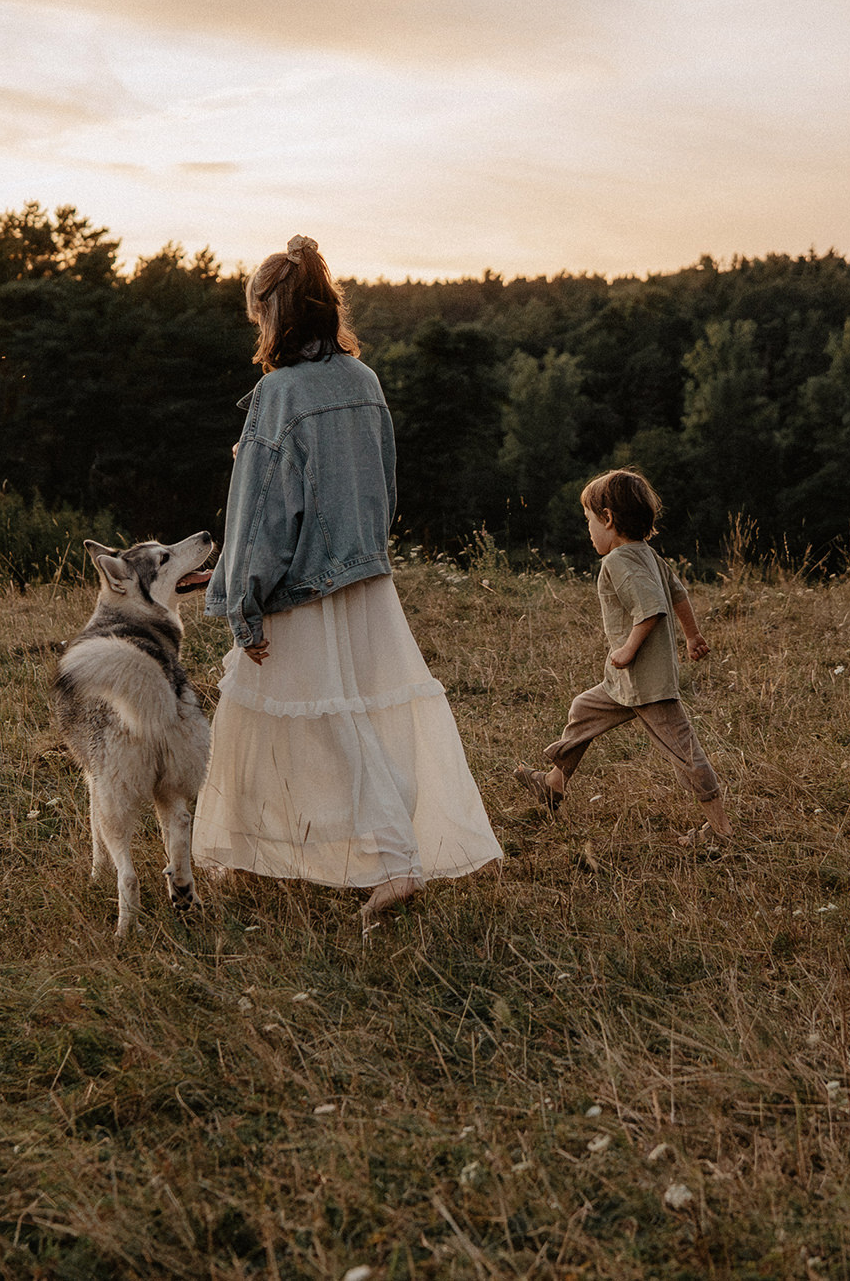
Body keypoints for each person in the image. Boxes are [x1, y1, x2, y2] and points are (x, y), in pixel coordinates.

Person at [196, 236, 503, 927]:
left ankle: (393, 863)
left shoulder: (278, 394)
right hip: (365, 580)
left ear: (275, 314)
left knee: (317, 725)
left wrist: (245, 600)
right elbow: (381, 485)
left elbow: (264, 510)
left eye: (258, 317)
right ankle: (246, 856)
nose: (257, 328)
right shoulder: (364, 381)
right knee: (330, 716)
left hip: (303, 588)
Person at [513, 467, 733, 843]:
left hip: (647, 683)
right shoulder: (648, 555)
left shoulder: (618, 561)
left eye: (588, 520)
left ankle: (721, 831)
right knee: (583, 710)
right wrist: (692, 635)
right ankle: (553, 784)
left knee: (685, 752)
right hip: (624, 683)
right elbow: (678, 594)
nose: (588, 530)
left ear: (608, 519)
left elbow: (651, 608)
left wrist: (629, 649)